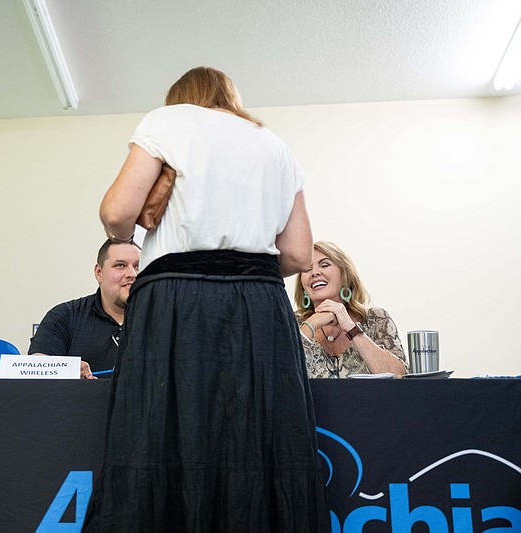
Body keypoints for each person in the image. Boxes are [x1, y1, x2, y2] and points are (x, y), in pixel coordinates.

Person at [84, 67, 330, 531]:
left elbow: (116, 213)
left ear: (181, 98)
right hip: (259, 305)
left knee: (162, 431)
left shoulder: (168, 121)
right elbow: (298, 253)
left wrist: (128, 231)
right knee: (256, 436)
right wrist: (242, 269)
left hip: (177, 301)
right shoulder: (274, 145)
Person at [28, 239, 140, 379]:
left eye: (137, 266)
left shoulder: (164, 321)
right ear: (99, 273)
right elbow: (33, 369)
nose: (132, 274)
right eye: (120, 265)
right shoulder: (64, 317)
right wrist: (65, 370)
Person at [294, 241, 408, 378]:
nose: (315, 273)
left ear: (345, 276)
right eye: (307, 269)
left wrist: (352, 329)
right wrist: (309, 326)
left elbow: (399, 377)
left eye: (325, 265)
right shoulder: (291, 323)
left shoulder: (377, 319)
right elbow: (276, 379)